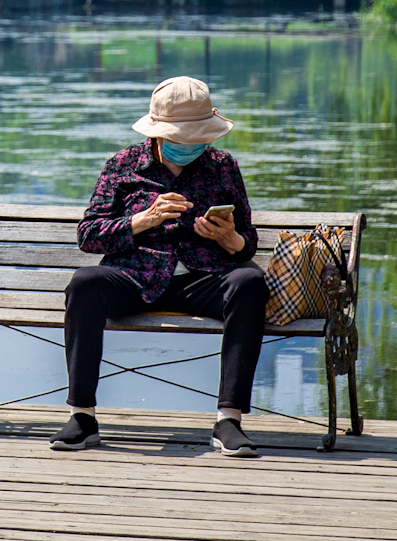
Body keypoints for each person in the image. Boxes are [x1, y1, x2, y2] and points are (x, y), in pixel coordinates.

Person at [53, 75, 266, 458]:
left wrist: (229, 239)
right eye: (180, 139)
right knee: (85, 283)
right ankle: (82, 417)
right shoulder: (123, 164)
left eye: (197, 139)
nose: (190, 147)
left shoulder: (223, 167)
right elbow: (89, 235)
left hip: (201, 280)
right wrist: (142, 220)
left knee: (249, 281)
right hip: (134, 278)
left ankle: (228, 421)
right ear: (157, 134)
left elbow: (247, 240)